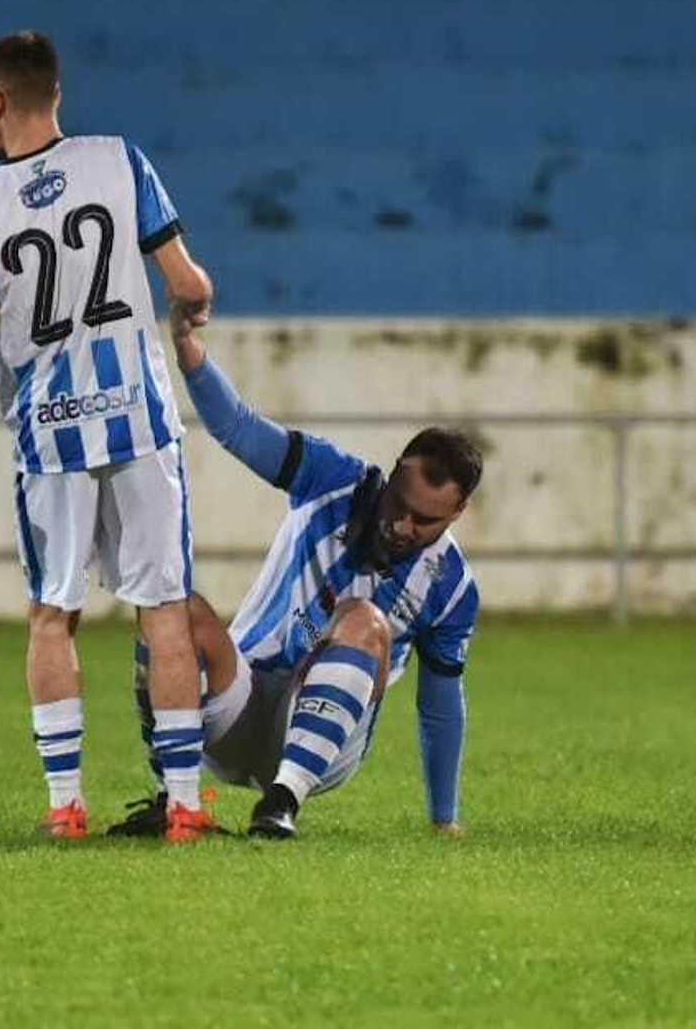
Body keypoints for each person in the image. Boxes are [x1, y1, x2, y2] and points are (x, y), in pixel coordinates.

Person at [0, 31, 220, 842]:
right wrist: (191, 313)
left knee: (54, 613)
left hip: (50, 436)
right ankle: (186, 803)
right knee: (162, 608)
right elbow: (187, 280)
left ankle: (65, 809)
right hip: (140, 418)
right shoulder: (121, 161)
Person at [110, 303, 483, 839]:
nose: (402, 525)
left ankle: (280, 804)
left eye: (424, 520)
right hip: (236, 703)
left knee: (364, 620)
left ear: (457, 513)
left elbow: (439, 704)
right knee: (173, 604)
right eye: (398, 503)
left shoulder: (450, 589)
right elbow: (240, 429)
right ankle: (178, 803)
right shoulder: (334, 479)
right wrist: (191, 356)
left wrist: (444, 819)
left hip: (320, 747)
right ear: (393, 474)